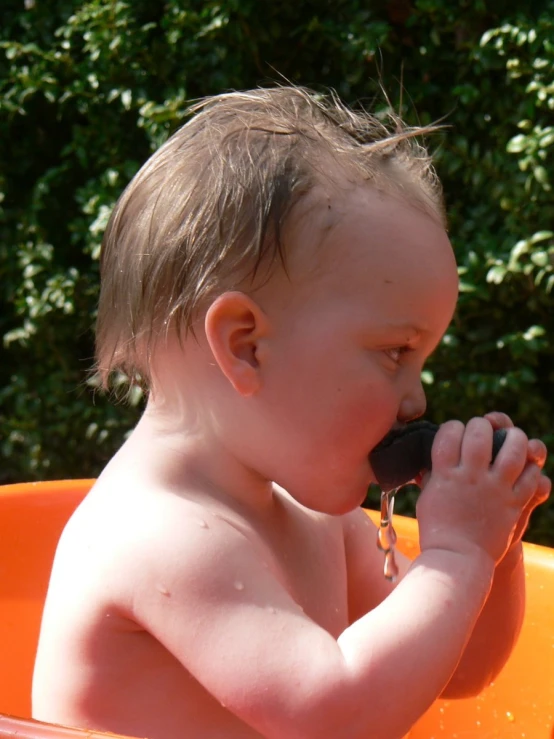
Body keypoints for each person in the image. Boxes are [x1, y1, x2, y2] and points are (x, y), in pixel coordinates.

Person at [32, 86, 550, 739]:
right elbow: (337, 714)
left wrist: (490, 554)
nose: (417, 399)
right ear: (246, 346)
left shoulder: (309, 513)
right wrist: (455, 551)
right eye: (395, 352)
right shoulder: (162, 535)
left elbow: (448, 671)